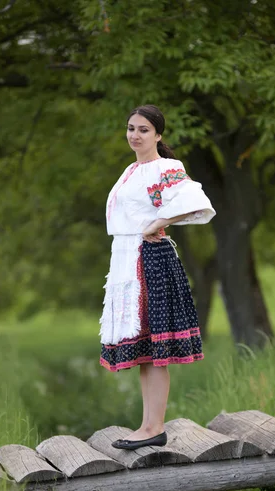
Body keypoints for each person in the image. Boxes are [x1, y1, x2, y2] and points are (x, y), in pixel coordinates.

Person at [99, 104, 216, 450]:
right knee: (145, 353)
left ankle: (153, 428)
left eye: (143, 130)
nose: (135, 134)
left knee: (153, 347)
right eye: (131, 128)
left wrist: (158, 223)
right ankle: (149, 426)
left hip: (147, 259)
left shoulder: (165, 167)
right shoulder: (131, 170)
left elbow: (195, 201)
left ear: (158, 135)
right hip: (126, 257)